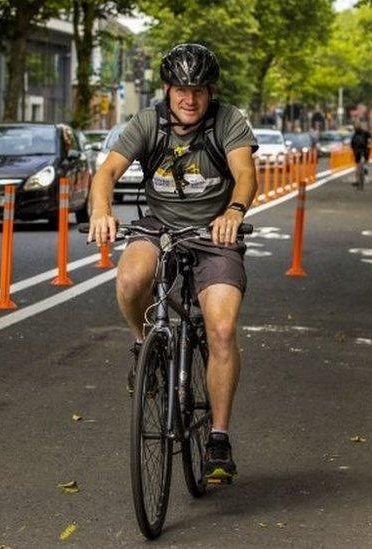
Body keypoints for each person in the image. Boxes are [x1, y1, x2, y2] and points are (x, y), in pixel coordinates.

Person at [87, 44, 258, 483]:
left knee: (221, 328)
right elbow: (106, 173)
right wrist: (101, 211)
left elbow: (245, 174)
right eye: (181, 89)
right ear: (167, 89)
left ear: (210, 91)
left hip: (214, 234)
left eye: (198, 90)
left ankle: (218, 438)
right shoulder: (149, 122)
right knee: (129, 282)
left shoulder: (228, 121)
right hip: (158, 227)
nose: (190, 99)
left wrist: (234, 211)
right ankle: (144, 343)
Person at [350, 123, 371, 188]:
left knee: (358, 165)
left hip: (359, 151)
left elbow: (352, 144)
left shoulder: (355, 134)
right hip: (364, 150)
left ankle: (358, 179)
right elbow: (369, 139)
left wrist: (353, 150)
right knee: (363, 162)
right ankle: (364, 171)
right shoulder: (365, 133)